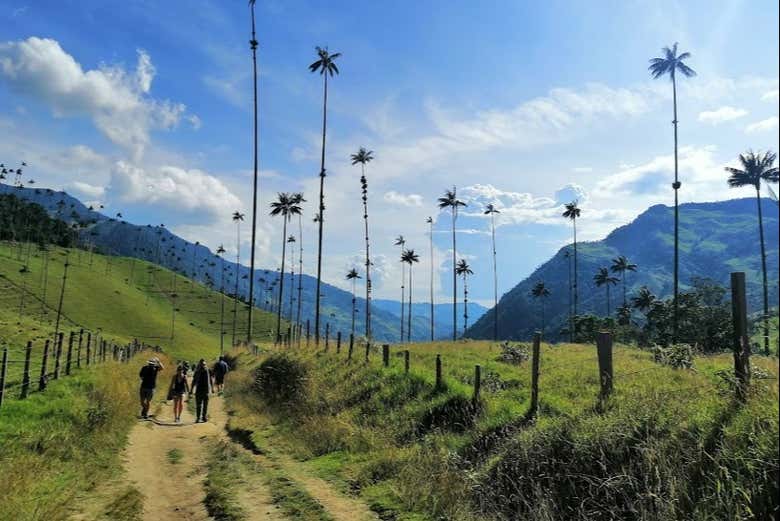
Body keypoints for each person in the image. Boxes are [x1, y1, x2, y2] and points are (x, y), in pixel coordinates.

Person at [191, 358, 212, 423]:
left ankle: (202, 417)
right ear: (200, 365)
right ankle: (200, 417)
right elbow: (194, 381)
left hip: (204, 391)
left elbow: (209, 380)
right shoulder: (200, 371)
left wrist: (211, 388)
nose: (203, 366)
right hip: (201, 390)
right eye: (203, 364)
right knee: (200, 405)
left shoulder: (202, 371)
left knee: (203, 405)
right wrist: (191, 389)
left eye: (204, 364)